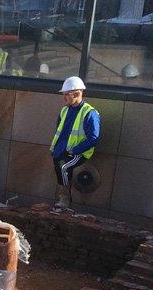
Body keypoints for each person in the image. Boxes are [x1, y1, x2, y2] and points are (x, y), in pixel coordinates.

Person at [50, 76, 100, 211]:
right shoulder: (64, 110)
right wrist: (55, 149)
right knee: (59, 167)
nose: (64, 98)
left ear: (77, 94)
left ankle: (64, 199)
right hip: (62, 149)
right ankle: (63, 200)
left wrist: (75, 150)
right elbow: (59, 131)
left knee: (64, 167)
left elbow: (94, 138)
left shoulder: (89, 113)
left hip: (79, 152)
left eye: (67, 94)